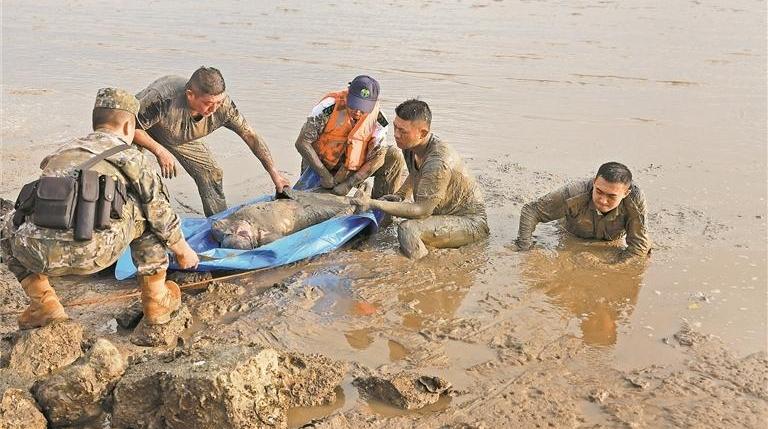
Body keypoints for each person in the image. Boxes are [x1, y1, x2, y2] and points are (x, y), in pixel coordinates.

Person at [0, 88, 199, 331]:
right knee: (146, 210)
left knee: (8, 223)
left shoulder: (62, 151)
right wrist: (182, 251)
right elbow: (159, 212)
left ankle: (44, 303)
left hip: (37, 253)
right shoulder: (131, 157)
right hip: (95, 253)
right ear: (128, 128)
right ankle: (157, 302)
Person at [133, 67, 289, 216]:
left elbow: (250, 135)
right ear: (190, 95)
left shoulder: (224, 107)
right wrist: (159, 151)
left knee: (211, 173)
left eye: (219, 102)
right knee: (132, 174)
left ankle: (218, 222)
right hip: (141, 130)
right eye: (208, 103)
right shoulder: (162, 97)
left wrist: (274, 174)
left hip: (176, 134)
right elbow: (131, 128)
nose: (214, 109)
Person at [351, 99, 489, 259]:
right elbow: (415, 173)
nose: (396, 134)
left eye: (402, 131)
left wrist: (373, 203)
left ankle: (422, 268)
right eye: (395, 127)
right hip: (441, 213)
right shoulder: (410, 146)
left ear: (422, 133)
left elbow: (422, 211)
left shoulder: (438, 162)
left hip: (469, 222)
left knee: (408, 229)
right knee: (392, 213)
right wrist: (401, 194)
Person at [513, 162, 651, 262]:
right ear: (594, 182)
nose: (603, 201)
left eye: (612, 196)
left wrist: (609, 268)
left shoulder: (635, 201)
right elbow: (531, 210)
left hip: (610, 240)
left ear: (626, 193)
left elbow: (638, 247)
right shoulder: (574, 192)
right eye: (599, 191)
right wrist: (524, 248)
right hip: (570, 234)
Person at [294, 75, 405, 198]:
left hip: (352, 168)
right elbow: (302, 142)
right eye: (354, 105)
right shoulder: (328, 107)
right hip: (320, 164)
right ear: (348, 94)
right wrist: (324, 175)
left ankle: (381, 210)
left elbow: (378, 157)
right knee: (304, 201)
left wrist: (350, 183)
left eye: (363, 108)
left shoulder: (379, 119)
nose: (357, 112)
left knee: (393, 156)